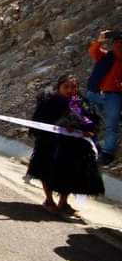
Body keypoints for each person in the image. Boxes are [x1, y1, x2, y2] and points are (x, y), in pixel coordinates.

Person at [28, 74, 105, 216]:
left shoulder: (81, 103)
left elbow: (90, 120)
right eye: (66, 87)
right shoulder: (49, 102)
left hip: (74, 146)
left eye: (73, 87)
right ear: (59, 87)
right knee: (47, 171)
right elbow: (42, 122)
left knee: (71, 174)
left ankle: (63, 203)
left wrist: (86, 130)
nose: (70, 90)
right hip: (51, 145)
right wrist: (62, 126)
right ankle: (49, 201)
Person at [87, 30, 122, 165]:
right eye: (117, 43)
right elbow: (93, 51)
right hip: (95, 94)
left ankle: (107, 153)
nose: (118, 46)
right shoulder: (107, 56)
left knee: (111, 125)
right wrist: (100, 40)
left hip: (113, 96)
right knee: (92, 119)